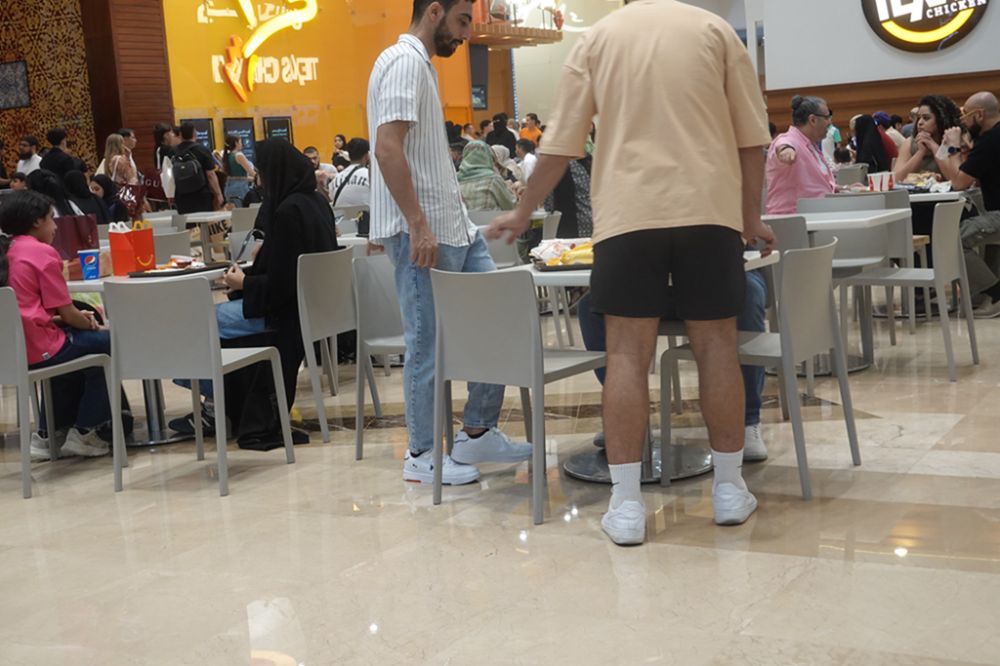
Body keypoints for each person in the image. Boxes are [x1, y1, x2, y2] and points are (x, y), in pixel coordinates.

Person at [487, 0, 775, 545]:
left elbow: (561, 145)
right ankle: (729, 489)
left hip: (627, 218)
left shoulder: (597, 40)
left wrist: (523, 213)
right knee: (717, 348)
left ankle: (625, 505)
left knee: (624, 356)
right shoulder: (715, 31)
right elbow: (751, 138)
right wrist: (750, 216)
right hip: (709, 212)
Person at [367, 0, 532, 485]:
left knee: (497, 321)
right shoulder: (403, 61)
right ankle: (420, 454)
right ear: (435, 11)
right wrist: (417, 223)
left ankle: (476, 431)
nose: (465, 36)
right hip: (424, 235)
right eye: (462, 21)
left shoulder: (420, 65)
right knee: (427, 344)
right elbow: (387, 147)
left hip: (453, 227)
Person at [171, 140, 340, 448]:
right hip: (312, 310)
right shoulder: (316, 203)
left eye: (261, 173)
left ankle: (215, 406)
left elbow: (281, 286)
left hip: (283, 314)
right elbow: (293, 271)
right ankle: (225, 404)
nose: (258, 182)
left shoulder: (288, 212)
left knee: (194, 323)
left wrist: (243, 284)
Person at [0, 190, 113, 460]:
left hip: (14, 351)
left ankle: (49, 433)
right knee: (110, 344)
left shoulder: (8, 251)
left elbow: (24, 312)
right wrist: (90, 324)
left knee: (74, 354)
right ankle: (85, 431)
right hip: (40, 348)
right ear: (36, 221)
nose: (55, 226)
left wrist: (65, 320)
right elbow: (70, 313)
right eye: (52, 218)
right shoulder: (41, 252)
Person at [930, 92, 1000, 317]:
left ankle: (995, 294)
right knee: (982, 234)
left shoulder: (989, 141)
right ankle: (985, 293)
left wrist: (952, 147)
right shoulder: (990, 138)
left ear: (979, 115)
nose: (963, 121)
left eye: (966, 115)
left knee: (952, 239)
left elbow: (959, 182)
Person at [765, 96, 836, 215]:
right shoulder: (789, 140)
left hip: (816, 216)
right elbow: (783, 145)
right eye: (827, 117)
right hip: (793, 220)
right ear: (812, 120)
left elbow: (816, 186)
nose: (830, 122)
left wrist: (842, 188)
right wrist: (786, 151)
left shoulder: (811, 146)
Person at [894, 95, 963, 184]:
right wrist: (920, 153)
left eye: (926, 118)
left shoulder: (954, 141)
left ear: (941, 120)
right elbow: (896, 179)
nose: (920, 123)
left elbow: (954, 179)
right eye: (919, 118)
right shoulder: (909, 143)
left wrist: (933, 146)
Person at [173, 122, 223, 214]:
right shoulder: (202, 150)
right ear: (194, 133)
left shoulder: (173, 151)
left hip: (181, 195)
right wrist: (218, 194)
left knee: (187, 222)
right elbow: (210, 175)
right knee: (204, 222)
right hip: (201, 194)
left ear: (180, 135)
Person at [457, 140, 517, 211]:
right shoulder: (493, 179)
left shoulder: (454, 180)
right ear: (487, 157)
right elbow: (511, 205)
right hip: (490, 218)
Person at [329, 138, 371, 208]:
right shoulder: (370, 177)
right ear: (367, 155)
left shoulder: (335, 179)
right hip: (367, 214)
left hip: (341, 215)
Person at [221, 135, 257, 206]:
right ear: (236, 143)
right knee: (243, 210)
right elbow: (252, 173)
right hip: (240, 188)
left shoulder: (226, 156)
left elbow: (238, 177)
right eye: (240, 142)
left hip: (228, 187)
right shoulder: (239, 155)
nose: (242, 144)